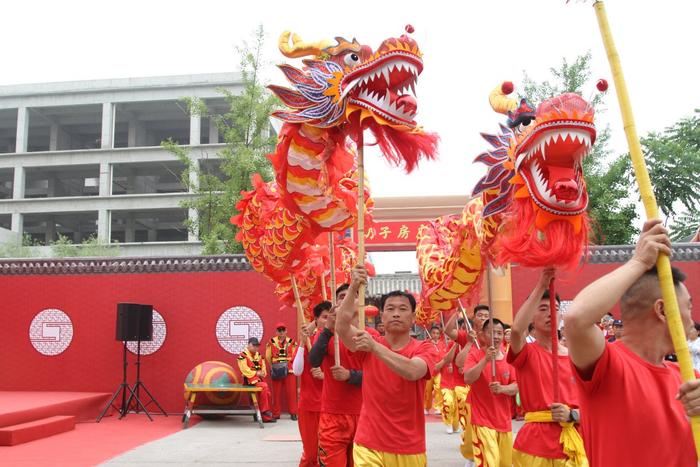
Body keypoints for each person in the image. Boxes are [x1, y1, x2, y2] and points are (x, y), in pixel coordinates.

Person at [564, 219, 700, 466]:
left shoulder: (689, 379)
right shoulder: (609, 365)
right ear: (662, 310)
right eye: (688, 307)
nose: (693, 318)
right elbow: (576, 319)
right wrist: (639, 262)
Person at [336, 265, 439, 466]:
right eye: (390, 309)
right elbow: (341, 325)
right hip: (369, 443)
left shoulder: (424, 348)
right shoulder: (369, 341)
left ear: (413, 317)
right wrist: (354, 286)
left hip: (409, 446)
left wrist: (375, 348)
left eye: (403, 309)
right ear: (382, 317)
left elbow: (412, 371)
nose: (396, 314)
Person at [508, 269, 586, 467]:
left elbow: (594, 404)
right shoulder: (527, 353)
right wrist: (542, 284)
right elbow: (516, 330)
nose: (551, 311)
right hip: (536, 447)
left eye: (555, 307)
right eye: (542, 308)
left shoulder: (576, 355)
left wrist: (572, 415)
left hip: (574, 441)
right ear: (531, 318)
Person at [309, 285, 369, 467]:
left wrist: (350, 375)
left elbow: (378, 376)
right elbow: (313, 360)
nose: (346, 299)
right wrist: (327, 329)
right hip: (332, 414)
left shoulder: (370, 335)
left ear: (361, 302)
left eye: (352, 295)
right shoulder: (325, 335)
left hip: (364, 414)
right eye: (342, 296)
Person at [463, 318, 518, 467]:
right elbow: (468, 378)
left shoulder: (509, 358)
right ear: (482, 334)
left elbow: (517, 386)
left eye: (499, 333)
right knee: (489, 463)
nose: (496, 336)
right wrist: (485, 360)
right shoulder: (474, 355)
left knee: (504, 464)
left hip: (504, 421)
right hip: (482, 420)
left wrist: (502, 389)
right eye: (492, 332)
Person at [292, 301, 330, 467]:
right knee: (311, 454)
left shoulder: (340, 340)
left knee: (329, 454)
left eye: (331, 317)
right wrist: (302, 342)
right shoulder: (309, 340)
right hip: (309, 405)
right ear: (316, 319)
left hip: (332, 406)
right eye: (324, 317)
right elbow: (297, 370)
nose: (328, 320)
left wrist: (325, 376)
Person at [238, 337, 275, 423]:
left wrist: (262, 373)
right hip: (249, 380)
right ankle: (264, 412)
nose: (256, 347)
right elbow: (244, 370)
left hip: (259, 380)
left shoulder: (259, 356)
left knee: (267, 393)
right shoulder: (242, 356)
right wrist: (256, 373)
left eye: (257, 346)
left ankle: (264, 416)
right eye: (254, 345)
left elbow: (264, 369)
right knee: (264, 387)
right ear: (249, 345)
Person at [266, 322, 298, 420]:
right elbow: (268, 356)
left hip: (289, 369)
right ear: (276, 332)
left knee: (291, 392)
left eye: (283, 330)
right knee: (276, 393)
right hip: (277, 369)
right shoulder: (271, 342)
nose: (281, 332)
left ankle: (293, 413)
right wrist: (272, 367)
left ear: (286, 331)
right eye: (279, 330)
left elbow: (295, 355)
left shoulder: (292, 342)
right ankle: (276, 413)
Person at [424, 325, 445, 416]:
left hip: (439, 371)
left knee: (438, 388)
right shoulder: (426, 344)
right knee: (427, 390)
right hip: (429, 371)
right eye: (433, 333)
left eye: (437, 333)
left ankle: (438, 407)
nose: (435, 335)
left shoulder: (442, 344)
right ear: (430, 333)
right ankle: (426, 407)